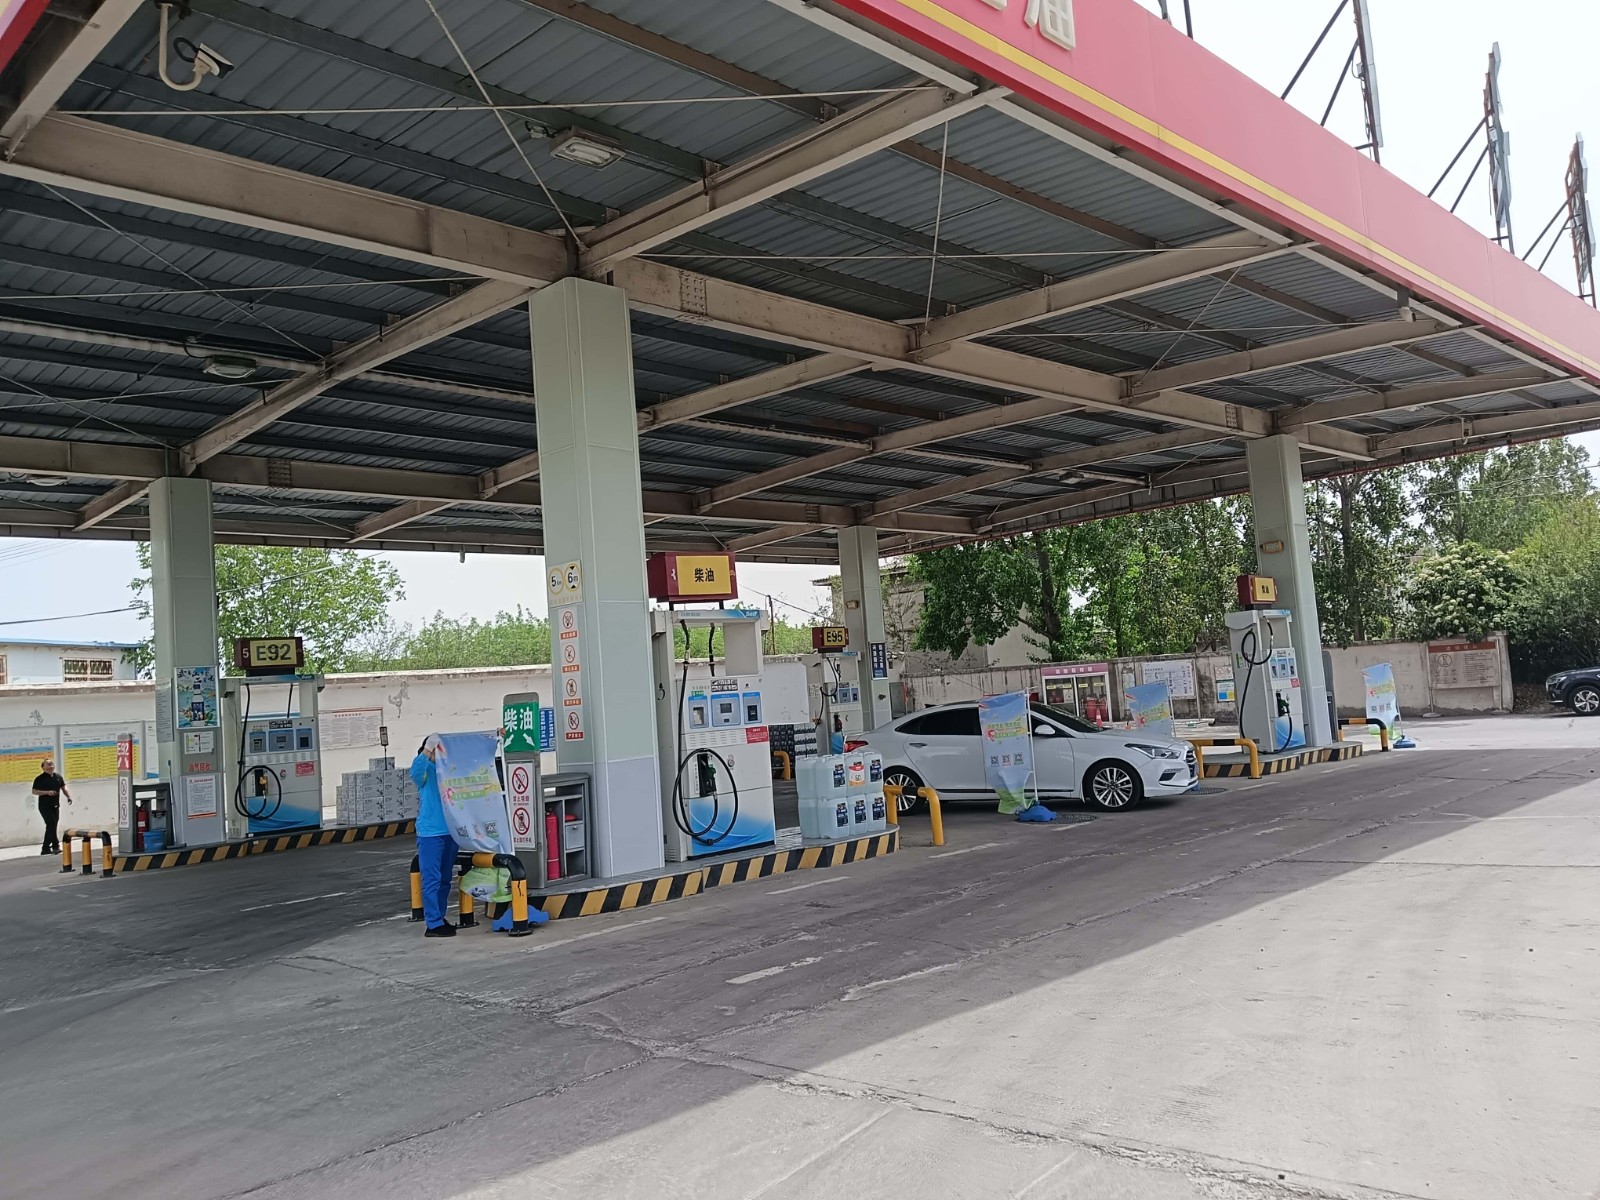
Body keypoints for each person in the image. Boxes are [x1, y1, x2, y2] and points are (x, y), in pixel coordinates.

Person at [410, 737, 458, 938]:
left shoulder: (448, 770)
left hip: (451, 831)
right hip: (430, 834)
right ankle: (433, 923)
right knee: (431, 879)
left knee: (445, 878)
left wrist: (492, 737)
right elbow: (415, 772)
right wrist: (427, 750)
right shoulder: (424, 771)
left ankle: (439, 916)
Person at [32, 757, 71, 856]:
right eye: (47, 764)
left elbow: (63, 787)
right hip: (45, 806)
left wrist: (68, 796)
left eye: (51, 763)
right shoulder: (40, 779)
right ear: (43, 767)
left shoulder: (58, 777)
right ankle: (55, 846)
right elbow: (34, 791)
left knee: (52, 825)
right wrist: (47, 792)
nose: (50, 765)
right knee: (51, 824)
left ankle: (46, 848)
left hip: (55, 805)